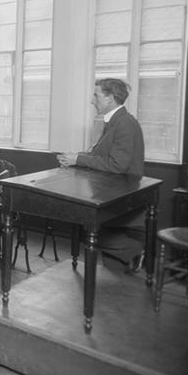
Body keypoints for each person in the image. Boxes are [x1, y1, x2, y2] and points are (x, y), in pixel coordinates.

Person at [57, 78, 146, 273]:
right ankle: (120, 274)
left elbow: (117, 165)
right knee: (111, 270)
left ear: (110, 98)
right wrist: (75, 157)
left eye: (96, 95)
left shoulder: (124, 123)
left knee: (91, 235)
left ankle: (136, 250)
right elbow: (104, 156)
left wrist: (79, 159)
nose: (92, 101)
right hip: (112, 190)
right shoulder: (115, 121)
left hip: (120, 193)